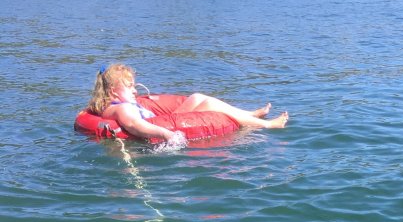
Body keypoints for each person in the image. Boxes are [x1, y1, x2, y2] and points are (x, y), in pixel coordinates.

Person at [87, 64, 289, 143]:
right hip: (162, 126)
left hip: (162, 119)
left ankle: (250, 114)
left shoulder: (112, 105)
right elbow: (135, 126)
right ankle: (267, 125)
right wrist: (166, 134)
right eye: (129, 86)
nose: (135, 90)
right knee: (207, 103)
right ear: (113, 91)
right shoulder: (121, 109)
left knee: (198, 97)